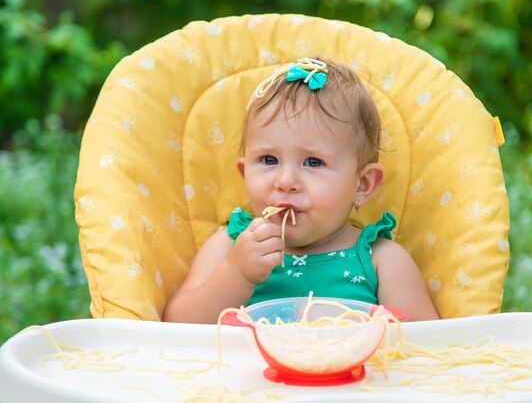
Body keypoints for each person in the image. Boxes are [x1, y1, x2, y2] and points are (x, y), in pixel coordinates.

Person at [163, 57, 439, 324]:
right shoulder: (230, 244)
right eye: (269, 160)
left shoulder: (380, 258)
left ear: (362, 184)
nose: (286, 181)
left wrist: (351, 325)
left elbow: (427, 345)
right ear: (244, 173)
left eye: (313, 162)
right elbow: (177, 325)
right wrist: (237, 275)